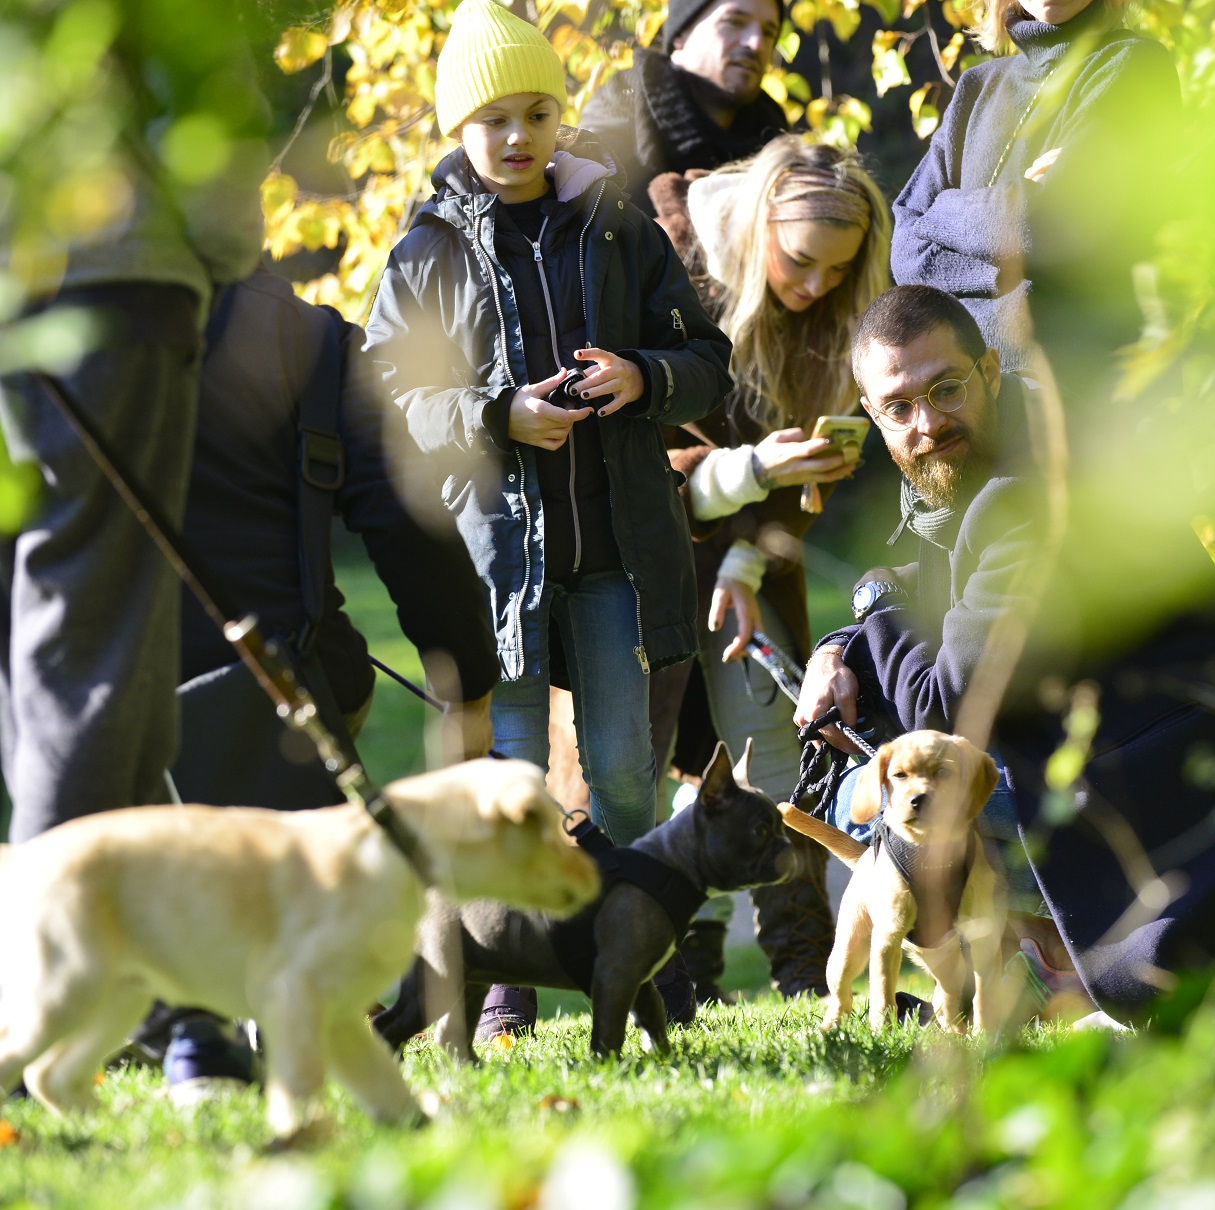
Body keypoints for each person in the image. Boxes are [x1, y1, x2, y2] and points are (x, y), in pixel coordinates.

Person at [364, 0, 732, 1038]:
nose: (518, 137)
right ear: (457, 131)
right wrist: (499, 414)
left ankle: (638, 968)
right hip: (501, 567)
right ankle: (502, 985)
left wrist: (641, 375)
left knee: (623, 770)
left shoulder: (617, 225)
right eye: (493, 120)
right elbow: (389, 401)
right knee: (511, 783)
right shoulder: (427, 248)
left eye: (536, 113)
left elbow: (710, 363)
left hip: (618, 555)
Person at [0, 1, 274, 844]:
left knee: (60, 624)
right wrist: (222, 252)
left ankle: (136, 941)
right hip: (116, 292)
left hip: (29, 293)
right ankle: (61, 941)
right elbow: (213, 135)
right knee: (101, 631)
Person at [645, 135, 891, 1000]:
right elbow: (640, 462)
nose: (819, 285)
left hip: (746, 583)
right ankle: (679, 974)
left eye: (839, 270)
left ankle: (800, 968)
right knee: (659, 777)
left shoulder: (822, 319)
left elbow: (782, 500)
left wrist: (746, 560)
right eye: (801, 263)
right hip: (648, 577)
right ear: (756, 232)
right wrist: (750, 474)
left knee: (772, 763)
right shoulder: (672, 279)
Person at [890, 0, 1181, 379]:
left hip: (1077, 388)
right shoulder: (976, 88)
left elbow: (1046, 222)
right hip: (964, 392)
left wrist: (942, 209)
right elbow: (906, 250)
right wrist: (1009, 272)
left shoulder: (1134, 66)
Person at [580, 0, 787, 216]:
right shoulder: (622, 102)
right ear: (681, 33)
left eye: (768, 32)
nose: (756, 43)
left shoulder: (775, 134)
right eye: (734, 22)